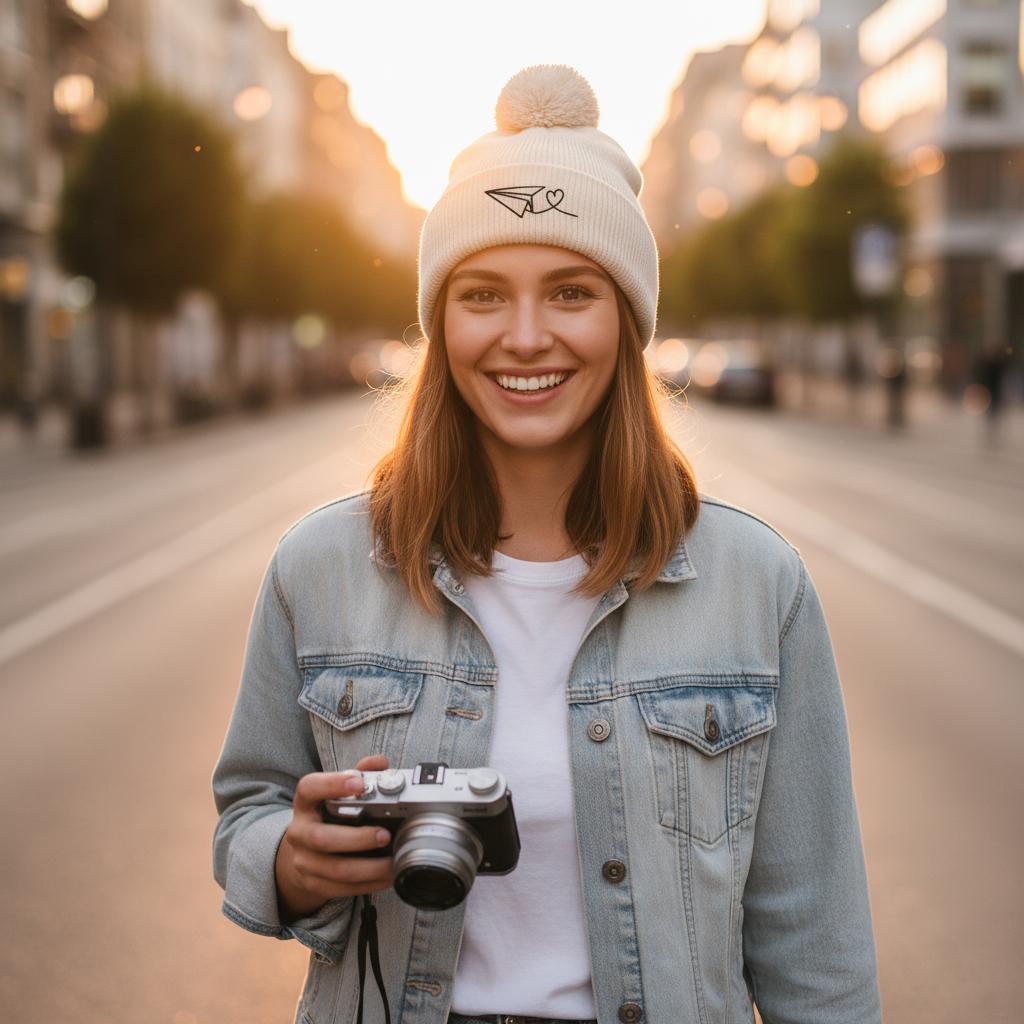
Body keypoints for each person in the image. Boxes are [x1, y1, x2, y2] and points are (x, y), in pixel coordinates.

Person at [213, 65, 882, 1024]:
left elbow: (817, 947)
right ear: (440, 324)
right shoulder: (320, 568)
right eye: (482, 294)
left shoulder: (754, 583)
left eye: (571, 292)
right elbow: (249, 807)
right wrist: (287, 858)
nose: (526, 337)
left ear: (628, 320)